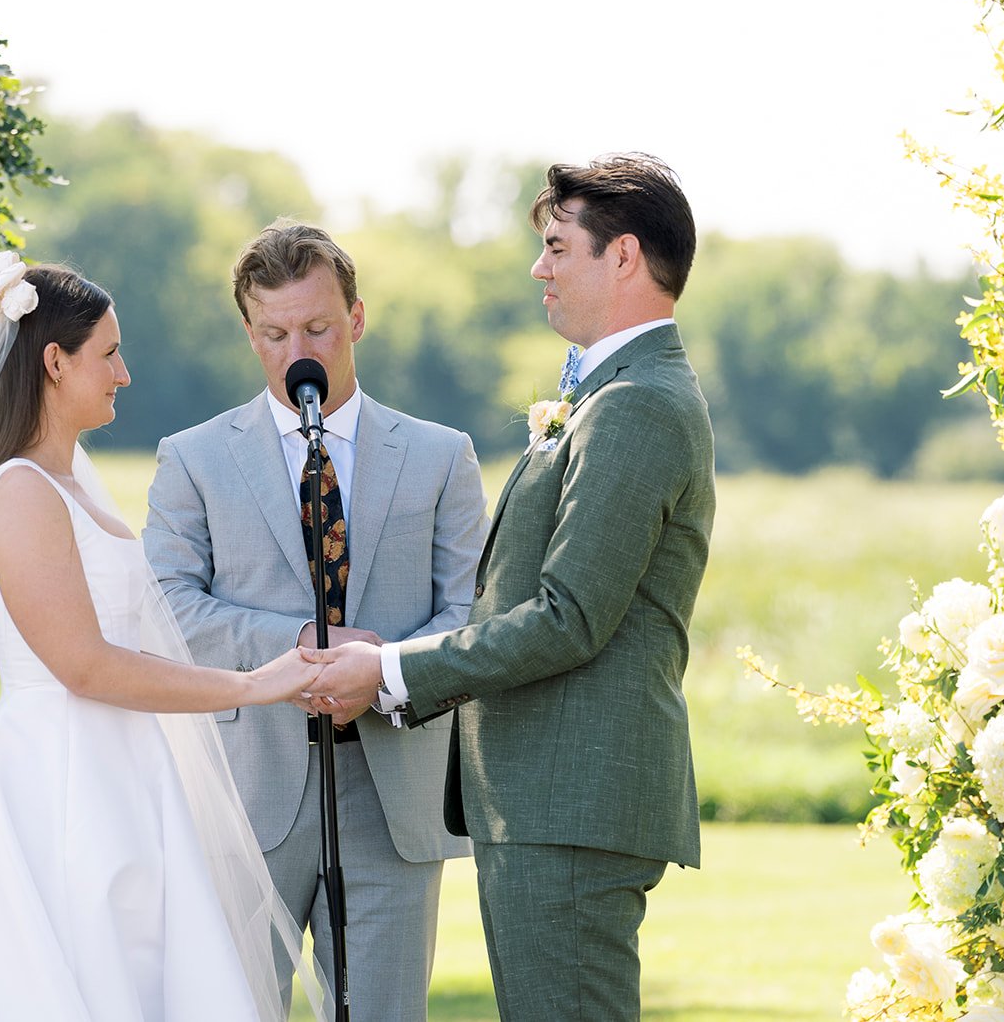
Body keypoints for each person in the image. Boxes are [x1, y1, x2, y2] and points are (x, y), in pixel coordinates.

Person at [0, 262, 327, 1022]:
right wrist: (248, 684)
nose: (124, 374)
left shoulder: (68, 486)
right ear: (53, 361)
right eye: (107, 353)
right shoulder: (19, 493)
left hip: (119, 773)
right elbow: (83, 665)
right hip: (57, 786)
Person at [305, 155, 716, 1022]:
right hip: (547, 800)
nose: (541, 267)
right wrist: (392, 652)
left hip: (570, 799)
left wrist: (392, 674)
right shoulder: (611, 392)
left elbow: (569, 617)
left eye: (558, 246)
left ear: (625, 257)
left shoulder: (636, 403)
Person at [143, 222, 488, 1020]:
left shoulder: (442, 455)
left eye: (318, 327)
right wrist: (296, 651)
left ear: (357, 318)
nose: (298, 347)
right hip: (245, 790)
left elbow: (470, 611)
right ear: (249, 334)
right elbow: (167, 607)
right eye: (275, 332)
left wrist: (383, 674)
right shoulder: (191, 457)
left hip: (393, 789)